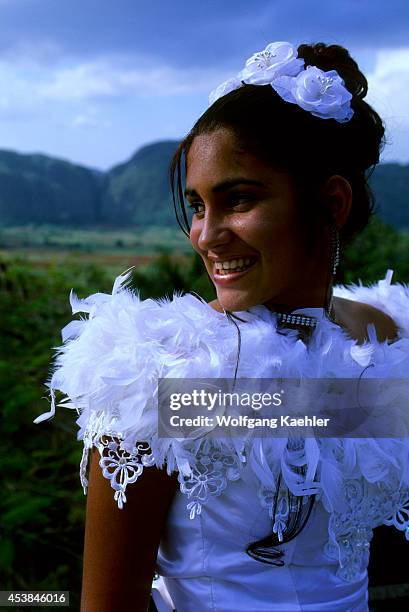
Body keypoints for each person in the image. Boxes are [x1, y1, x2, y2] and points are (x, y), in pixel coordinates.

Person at [33, 41, 409, 612]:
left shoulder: (385, 337)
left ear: (331, 203)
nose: (206, 237)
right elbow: (108, 601)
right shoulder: (151, 371)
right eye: (198, 206)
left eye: (237, 199)